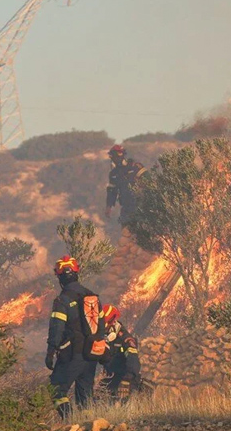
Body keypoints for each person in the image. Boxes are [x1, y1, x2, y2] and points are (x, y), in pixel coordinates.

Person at [45, 255, 103, 419]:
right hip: (91, 354)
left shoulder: (62, 300)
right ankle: (88, 424)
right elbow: (102, 324)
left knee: (56, 388)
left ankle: (68, 421)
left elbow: (56, 329)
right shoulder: (92, 296)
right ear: (77, 273)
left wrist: (50, 352)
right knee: (85, 396)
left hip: (72, 354)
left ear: (60, 277)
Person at [100, 304, 141, 401]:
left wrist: (127, 379)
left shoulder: (124, 337)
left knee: (124, 400)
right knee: (101, 395)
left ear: (113, 321)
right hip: (112, 376)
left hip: (126, 377)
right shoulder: (102, 334)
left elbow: (133, 358)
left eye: (106, 323)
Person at [105, 144, 146, 225]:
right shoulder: (113, 173)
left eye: (116, 156)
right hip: (126, 207)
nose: (114, 159)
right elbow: (112, 191)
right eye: (113, 157)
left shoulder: (134, 166)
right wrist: (109, 206)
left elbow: (148, 179)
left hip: (141, 206)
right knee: (126, 231)